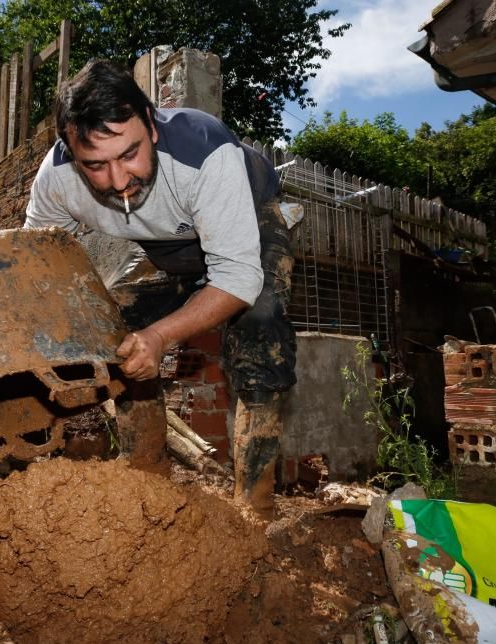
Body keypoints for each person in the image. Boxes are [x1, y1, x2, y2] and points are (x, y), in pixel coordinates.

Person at [23, 59, 296, 510]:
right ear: (72, 153)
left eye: (129, 154)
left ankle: (255, 504)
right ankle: (146, 481)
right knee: (119, 328)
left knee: (260, 326)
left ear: (150, 124)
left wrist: (162, 336)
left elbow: (237, 277)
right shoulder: (56, 180)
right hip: (162, 244)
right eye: (96, 165)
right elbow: (39, 262)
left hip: (248, 215)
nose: (119, 181)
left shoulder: (204, 151)